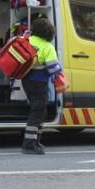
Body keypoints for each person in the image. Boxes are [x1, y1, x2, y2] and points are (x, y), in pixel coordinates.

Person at [21, 17, 62, 155]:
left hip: (26, 80)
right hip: (39, 82)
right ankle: (29, 145)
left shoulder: (27, 40)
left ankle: (36, 141)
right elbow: (52, 68)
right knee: (37, 111)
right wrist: (60, 74)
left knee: (40, 111)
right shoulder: (47, 46)